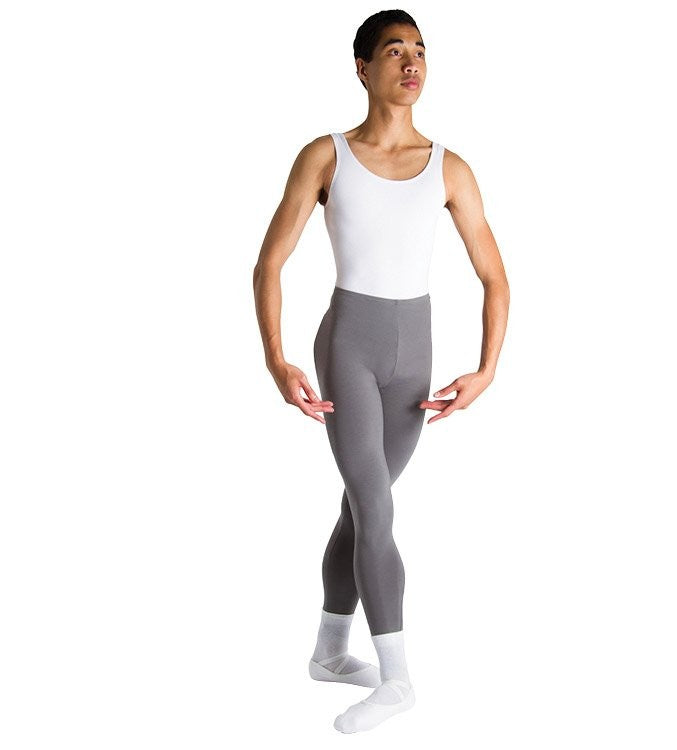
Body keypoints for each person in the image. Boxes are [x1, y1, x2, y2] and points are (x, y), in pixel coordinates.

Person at [253, 9, 510, 734]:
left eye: (420, 49)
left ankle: (330, 652)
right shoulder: (326, 155)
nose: (411, 61)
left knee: (360, 506)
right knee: (376, 507)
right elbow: (270, 263)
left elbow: (494, 277)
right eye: (394, 50)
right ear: (363, 69)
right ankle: (397, 679)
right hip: (350, 348)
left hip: (414, 357)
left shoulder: (450, 167)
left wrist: (487, 369)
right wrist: (276, 358)